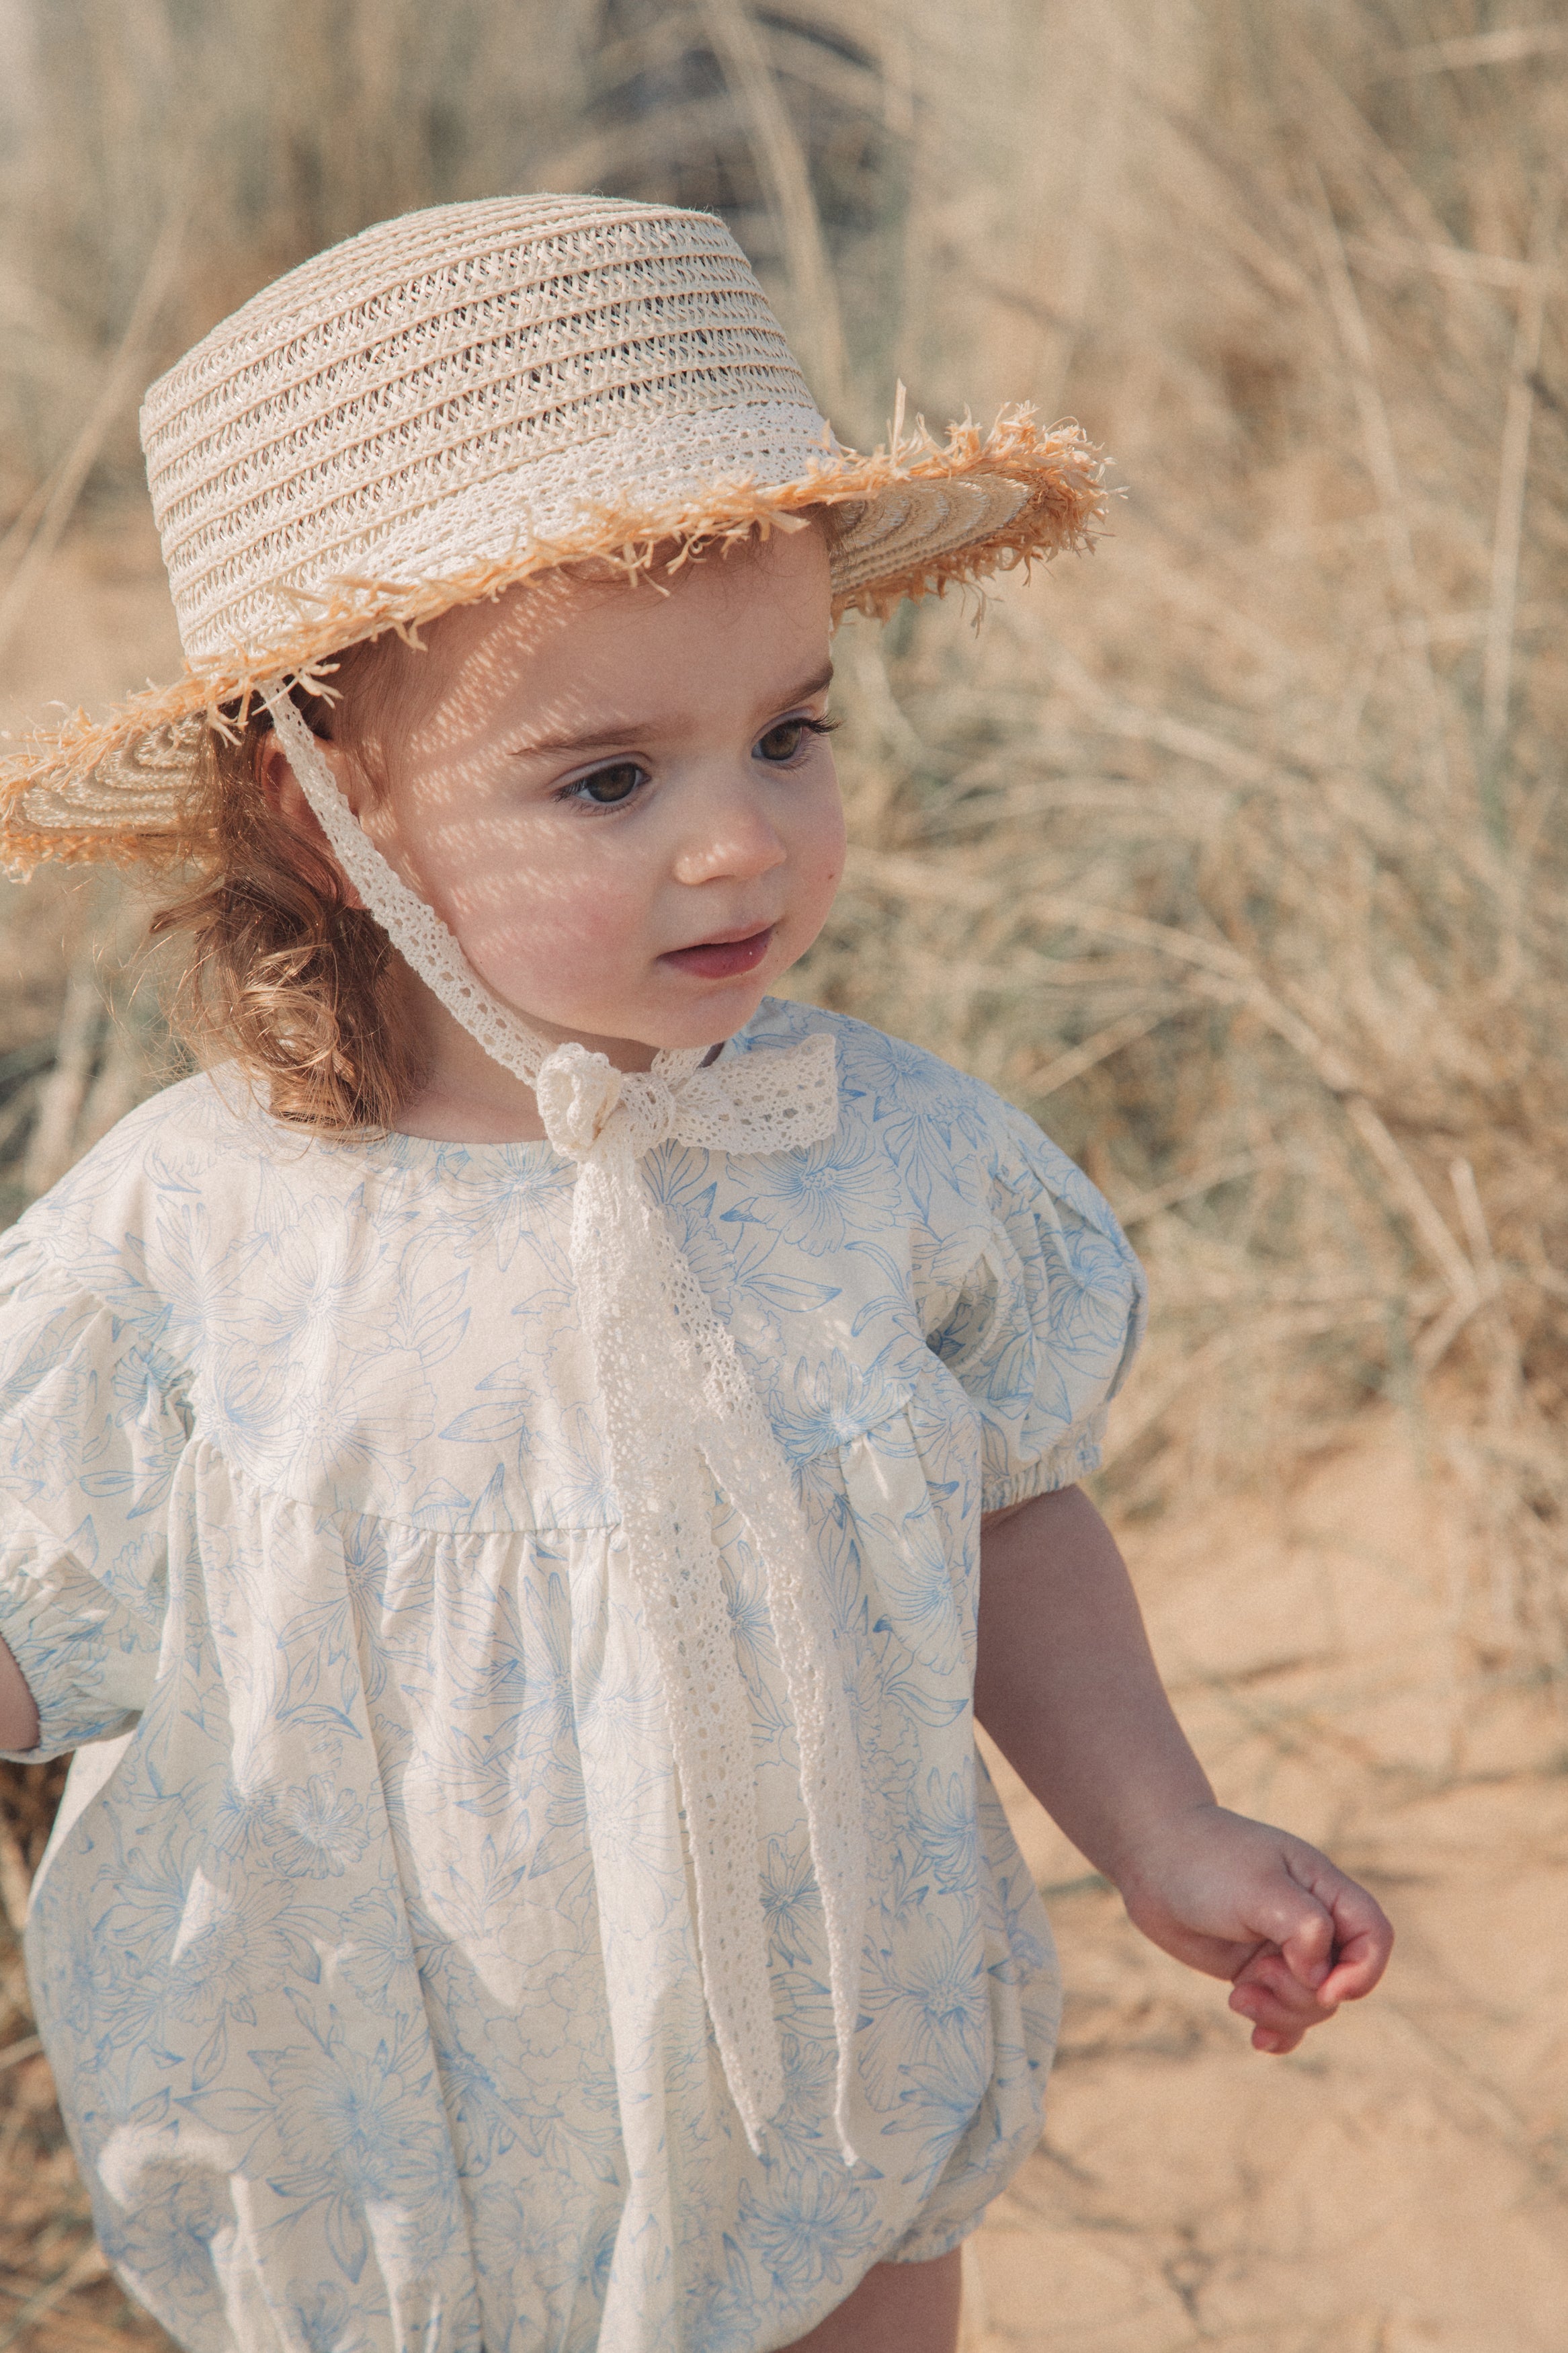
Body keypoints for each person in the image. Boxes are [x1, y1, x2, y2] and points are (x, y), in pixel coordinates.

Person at [0, 194, 1391, 2353]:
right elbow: (35, 1600)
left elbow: (1004, 1508)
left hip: (822, 2090)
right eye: (610, 777)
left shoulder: (878, 1154)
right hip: (376, 2142)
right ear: (317, 811)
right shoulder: (196, 1233)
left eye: (788, 735)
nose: (741, 838)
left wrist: (1165, 1824)